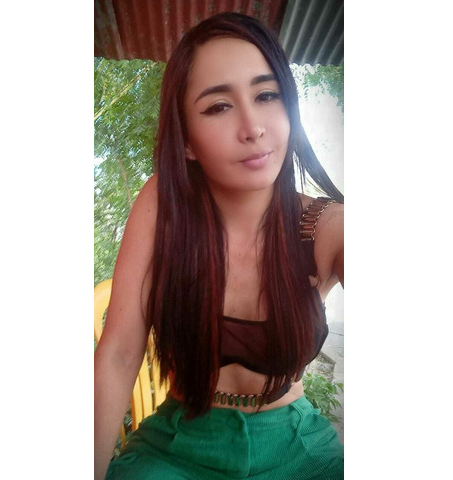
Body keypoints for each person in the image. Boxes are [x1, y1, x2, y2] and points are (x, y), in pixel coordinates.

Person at [94, 12, 344, 480]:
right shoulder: (163, 205)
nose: (253, 127)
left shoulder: (326, 224)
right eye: (219, 107)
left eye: (266, 95)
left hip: (296, 446)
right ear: (187, 141)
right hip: (177, 445)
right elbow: (120, 352)